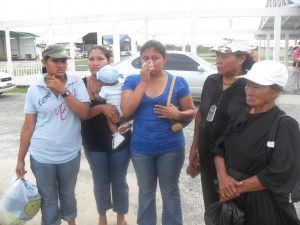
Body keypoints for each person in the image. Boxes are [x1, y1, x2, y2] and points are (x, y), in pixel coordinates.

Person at [212, 60, 300, 225]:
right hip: (234, 201)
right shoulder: (242, 116)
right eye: (248, 85)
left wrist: (234, 189)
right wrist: (223, 177)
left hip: (264, 206)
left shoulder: (284, 125)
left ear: (276, 91)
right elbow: (219, 147)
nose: (248, 91)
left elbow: (279, 171)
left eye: (256, 87)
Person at [121, 40, 196, 225]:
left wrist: (177, 113)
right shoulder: (132, 81)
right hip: (141, 147)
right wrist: (144, 81)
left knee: (169, 191)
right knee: (145, 190)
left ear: (165, 58)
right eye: (145, 58)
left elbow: (192, 111)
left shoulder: (177, 82)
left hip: (170, 147)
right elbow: (127, 110)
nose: (150, 62)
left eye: (155, 58)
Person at [15, 44, 90, 225]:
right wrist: (20, 158)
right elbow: (28, 126)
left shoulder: (75, 82)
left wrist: (63, 90)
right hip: (41, 155)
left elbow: (84, 113)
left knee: (68, 194)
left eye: (63, 61)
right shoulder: (35, 89)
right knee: (47, 197)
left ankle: (71, 222)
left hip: (69, 154)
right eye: (55, 61)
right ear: (44, 62)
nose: (60, 65)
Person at [187, 38, 256, 209]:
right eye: (217, 55)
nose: (218, 60)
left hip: (233, 162)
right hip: (206, 154)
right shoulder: (211, 81)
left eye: (225, 56)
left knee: (232, 210)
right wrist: (194, 148)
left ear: (241, 58)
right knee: (211, 205)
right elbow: (200, 115)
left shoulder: (250, 87)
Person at [81, 46, 131, 225]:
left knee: (119, 181)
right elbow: (81, 113)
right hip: (93, 142)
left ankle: (120, 217)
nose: (95, 63)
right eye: (91, 59)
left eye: (100, 59)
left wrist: (123, 116)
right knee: (100, 182)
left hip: (120, 142)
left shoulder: (121, 83)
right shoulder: (81, 83)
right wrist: (101, 107)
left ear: (108, 61)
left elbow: (131, 109)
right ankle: (102, 217)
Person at [96, 65, 132, 150]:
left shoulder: (104, 88)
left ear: (104, 82)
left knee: (110, 121)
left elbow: (100, 99)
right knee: (125, 117)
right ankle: (128, 123)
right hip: (124, 108)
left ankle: (117, 135)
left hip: (114, 111)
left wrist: (95, 93)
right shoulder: (122, 84)